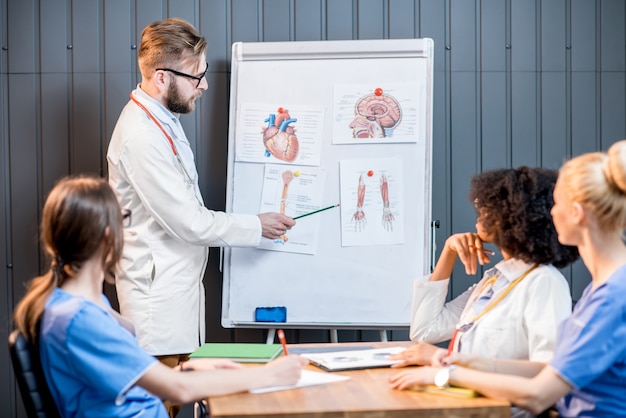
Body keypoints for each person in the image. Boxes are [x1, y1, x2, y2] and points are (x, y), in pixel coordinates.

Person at [12, 176, 307, 418]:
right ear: (105, 235)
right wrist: (270, 376)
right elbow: (177, 390)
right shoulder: (79, 319)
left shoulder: (78, 303)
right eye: (124, 219)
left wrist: (189, 368)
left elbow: (127, 377)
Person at [106, 17, 294, 375]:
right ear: (162, 77)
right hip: (157, 309)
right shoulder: (141, 137)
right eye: (196, 77)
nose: (204, 85)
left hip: (175, 299)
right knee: (159, 409)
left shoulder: (161, 120)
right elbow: (190, 222)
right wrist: (256, 226)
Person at [389, 141, 626, 416]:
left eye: (557, 203)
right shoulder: (604, 290)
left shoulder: (611, 297)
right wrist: (450, 360)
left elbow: (539, 395)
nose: (550, 212)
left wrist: (446, 374)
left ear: (576, 213)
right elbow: (550, 369)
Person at [391, 167, 579, 368]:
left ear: (518, 214)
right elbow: (425, 331)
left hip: (499, 399)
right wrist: (449, 251)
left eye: (491, 203)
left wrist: (446, 359)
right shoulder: (495, 281)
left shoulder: (543, 282)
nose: (480, 209)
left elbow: (550, 371)